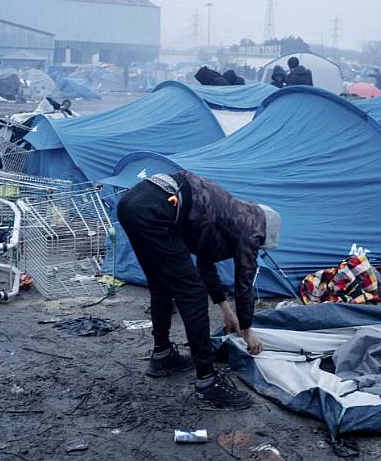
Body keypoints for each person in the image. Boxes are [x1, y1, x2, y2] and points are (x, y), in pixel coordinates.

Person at [117, 172, 282, 410]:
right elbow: (244, 282)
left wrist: (224, 307)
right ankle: (208, 382)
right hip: (158, 209)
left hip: (133, 203)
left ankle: (162, 357)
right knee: (192, 295)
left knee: (161, 283)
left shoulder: (231, 213)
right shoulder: (251, 229)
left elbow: (205, 262)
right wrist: (247, 331)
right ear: (264, 231)